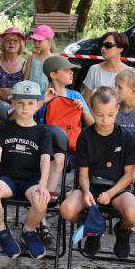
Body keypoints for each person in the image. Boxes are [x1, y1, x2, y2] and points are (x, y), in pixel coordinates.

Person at [60, 86, 135, 258]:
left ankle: (122, 231)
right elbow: (82, 173)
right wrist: (87, 192)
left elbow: (128, 176)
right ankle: (93, 227)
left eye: (110, 115)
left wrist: (110, 193)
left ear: (117, 109)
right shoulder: (85, 136)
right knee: (66, 210)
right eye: (99, 115)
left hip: (117, 187)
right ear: (91, 110)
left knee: (134, 216)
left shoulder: (126, 137)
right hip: (91, 185)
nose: (105, 120)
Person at [0, 80, 53, 260]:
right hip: (8, 179)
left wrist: (44, 185)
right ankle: (2, 231)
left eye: (31, 103)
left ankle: (29, 231)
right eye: (20, 102)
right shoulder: (4, 127)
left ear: (38, 104)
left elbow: (46, 160)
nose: (25, 107)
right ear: (13, 102)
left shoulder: (43, 131)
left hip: (31, 181)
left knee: (41, 200)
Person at [35, 56, 94, 244]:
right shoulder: (42, 96)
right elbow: (26, 121)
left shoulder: (76, 96)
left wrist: (83, 111)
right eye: (66, 70)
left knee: (58, 159)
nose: (71, 73)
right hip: (41, 147)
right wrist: (43, 103)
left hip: (68, 149)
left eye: (71, 70)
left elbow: (93, 127)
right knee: (54, 158)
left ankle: (40, 214)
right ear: (53, 74)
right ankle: (40, 217)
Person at [82, 31, 130, 109]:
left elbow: (132, 103)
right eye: (102, 45)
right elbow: (87, 99)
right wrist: (95, 117)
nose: (103, 48)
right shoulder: (94, 69)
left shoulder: (129, 73)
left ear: (120, 48)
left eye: (108, 45)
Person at [26, 25, 56, 91]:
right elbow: (25, 79)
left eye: (39, 41)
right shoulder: (31, 58)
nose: (36, 43)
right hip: (30, 94)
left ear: (49, 41)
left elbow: (54, 83)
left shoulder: (54, 60)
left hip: (46, 94)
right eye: (35, 41)